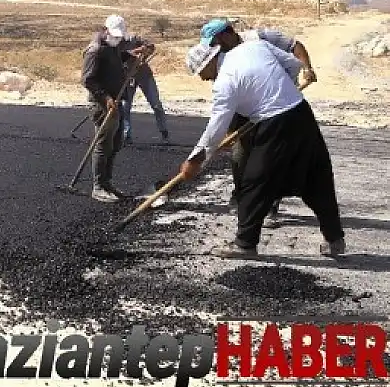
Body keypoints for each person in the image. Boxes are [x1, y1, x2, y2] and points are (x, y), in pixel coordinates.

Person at [179, 40, 345, 259]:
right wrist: (278, 91)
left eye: (201, 72)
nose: (202, 77)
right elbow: (294, 65)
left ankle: (245, 244)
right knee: (316, 178)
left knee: (254, 182)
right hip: (301, 113)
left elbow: (216, 127)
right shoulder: (254, 47)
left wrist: (195, 161)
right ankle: (335, 240)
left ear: (209, 62)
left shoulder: (225, 82)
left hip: (275, 125)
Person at [200, 18, 317, 218]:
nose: (212, 48)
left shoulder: (260, 38)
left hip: (276, 105)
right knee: (240, 152)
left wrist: (307, 68)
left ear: (226, 35)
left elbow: (295, 47)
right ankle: (240, 196)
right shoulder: (220, 56)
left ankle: (270, 205)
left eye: (214, 42)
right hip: (244, 104)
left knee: (273, 155)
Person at [81, 18, 136, 202]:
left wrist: (132, 54)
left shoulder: (111, 46)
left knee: (116, 142)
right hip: (102, 104)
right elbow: (88, 80)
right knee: (104, 145)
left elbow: (115, 60)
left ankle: (107, 182)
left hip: (116, 101)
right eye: (114, 36)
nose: (117, 39)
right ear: (105, 30)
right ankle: (98, 186)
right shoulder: (94, 50)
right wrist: (106, 98)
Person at [105, 15, 170, 145]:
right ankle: (126, 135)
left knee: (156, 104)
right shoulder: (113, 44)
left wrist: (145, 51)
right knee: (125, 107)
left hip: (144, 75)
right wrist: (134, 51)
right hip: (128, 78)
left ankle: (164, 132)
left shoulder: (133, 38)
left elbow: (151, 47)